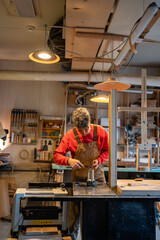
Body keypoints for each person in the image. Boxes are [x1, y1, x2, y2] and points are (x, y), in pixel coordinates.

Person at [54, 107, 109, 240]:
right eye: (81, 130)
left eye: (86, 129)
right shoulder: (70, 136)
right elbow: (57, 155)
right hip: (78, 180)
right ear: (76, 127)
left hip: (98, 178)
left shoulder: (101, 132)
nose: (84, 133)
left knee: (101, 212)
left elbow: (108, 151)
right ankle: (72, 236)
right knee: (75, 214)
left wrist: (100, 160)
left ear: (90, 121)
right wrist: (68, 160)